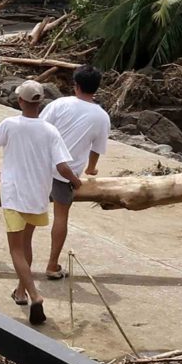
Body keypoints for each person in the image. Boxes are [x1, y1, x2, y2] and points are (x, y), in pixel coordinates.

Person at [0, 80, 80, 326]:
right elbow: (61, 166)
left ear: (20, 101)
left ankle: (34, 295)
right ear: (40, 102)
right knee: (27, 243)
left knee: (16, 250)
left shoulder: (10, 124)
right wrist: (76, 181)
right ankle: (20, 292)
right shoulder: (49, 130)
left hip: (14, 194)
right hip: (38, 196)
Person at [41, 65, 111, 282]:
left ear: (76, 85)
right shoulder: (101, 116)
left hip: (42, 167)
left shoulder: (59, 104)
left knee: (30, 214)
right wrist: (90, 169)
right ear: (96, 88)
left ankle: (22, 260)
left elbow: (39, 129)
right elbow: (96, 150)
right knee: (61, 216)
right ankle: (52, 264)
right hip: (67, 174)